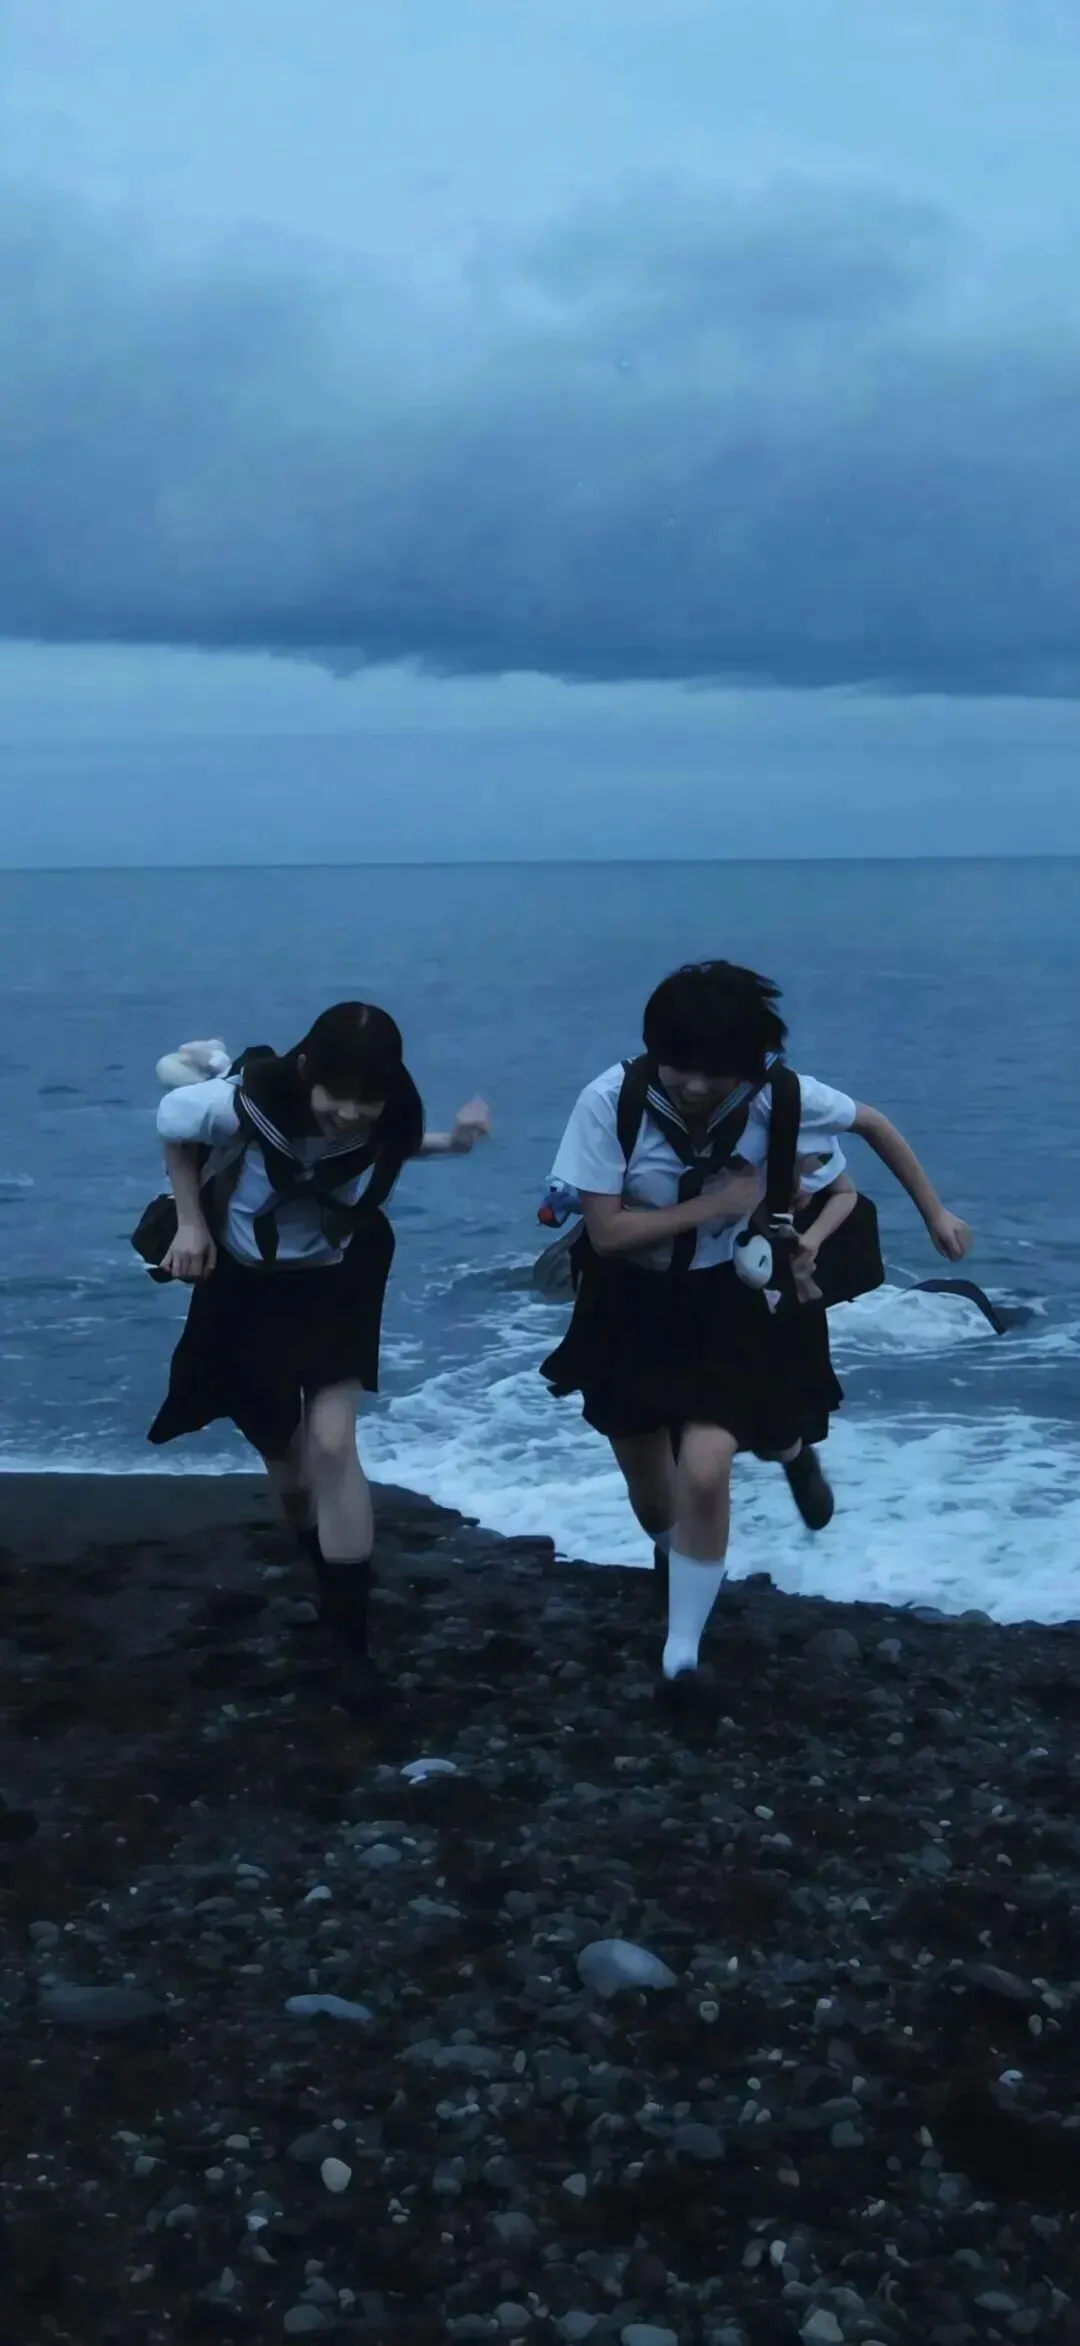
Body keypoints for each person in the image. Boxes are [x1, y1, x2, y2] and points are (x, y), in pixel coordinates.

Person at [540, 960, 970, 1696]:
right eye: (680, 1065)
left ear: (752, 1061)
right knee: (653, 1493)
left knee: (706, 1466)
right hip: (629, 1298)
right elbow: (606, 1234)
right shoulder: (611, 1101)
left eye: (718, 1071)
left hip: (728, 1300)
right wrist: (716, 1205)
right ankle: (686, 1550)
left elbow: (873, 1124)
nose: (696, 1085)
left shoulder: (782, 1097)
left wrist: (936, 1213)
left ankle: (682, 1654)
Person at [147, 1001, 489, 1701]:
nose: (352, 1114)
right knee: (288, 1466)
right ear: (306, 1072)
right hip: (244, 1285)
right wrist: (189, 1224)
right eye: (339, 1097)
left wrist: (455, 1142)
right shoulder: (234, 1109)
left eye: (370, 1099)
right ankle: (215, 1062)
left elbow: (389, 1144)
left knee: (333, 1445)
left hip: (336, 1280)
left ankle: (350, 1644)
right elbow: (172, 1127)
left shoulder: (384, 1113)